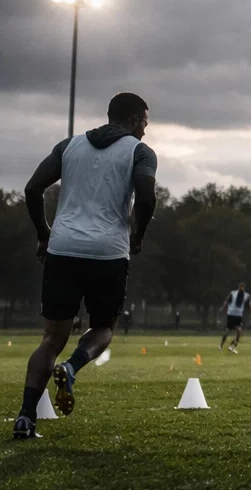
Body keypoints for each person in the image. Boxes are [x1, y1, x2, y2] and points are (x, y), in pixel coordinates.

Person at [12, 92, 157, 439]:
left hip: (63, 248)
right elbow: (146, 195)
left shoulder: (69, 146)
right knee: (103, 328)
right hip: (108, 252)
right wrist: (138, 235)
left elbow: (32, 188)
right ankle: (72, 367)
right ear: (134, 120)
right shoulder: (140, 152)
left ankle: (25, 418)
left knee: (51, 339)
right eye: (144, 123)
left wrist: (44, 234)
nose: (145, 131)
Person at [219, 282, 251, 352]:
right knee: (229, 331)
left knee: (238, 331)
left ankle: (230, 347)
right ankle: (222, 345)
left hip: (237, 315)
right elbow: (226, 301)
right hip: (232, 314)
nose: (241, 289)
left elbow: (249, 305)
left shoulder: (245, 295)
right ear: (239, 288)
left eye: (242, 288)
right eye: (241, 288)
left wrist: (249, 311)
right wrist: (223, 308)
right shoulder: (233, 293)